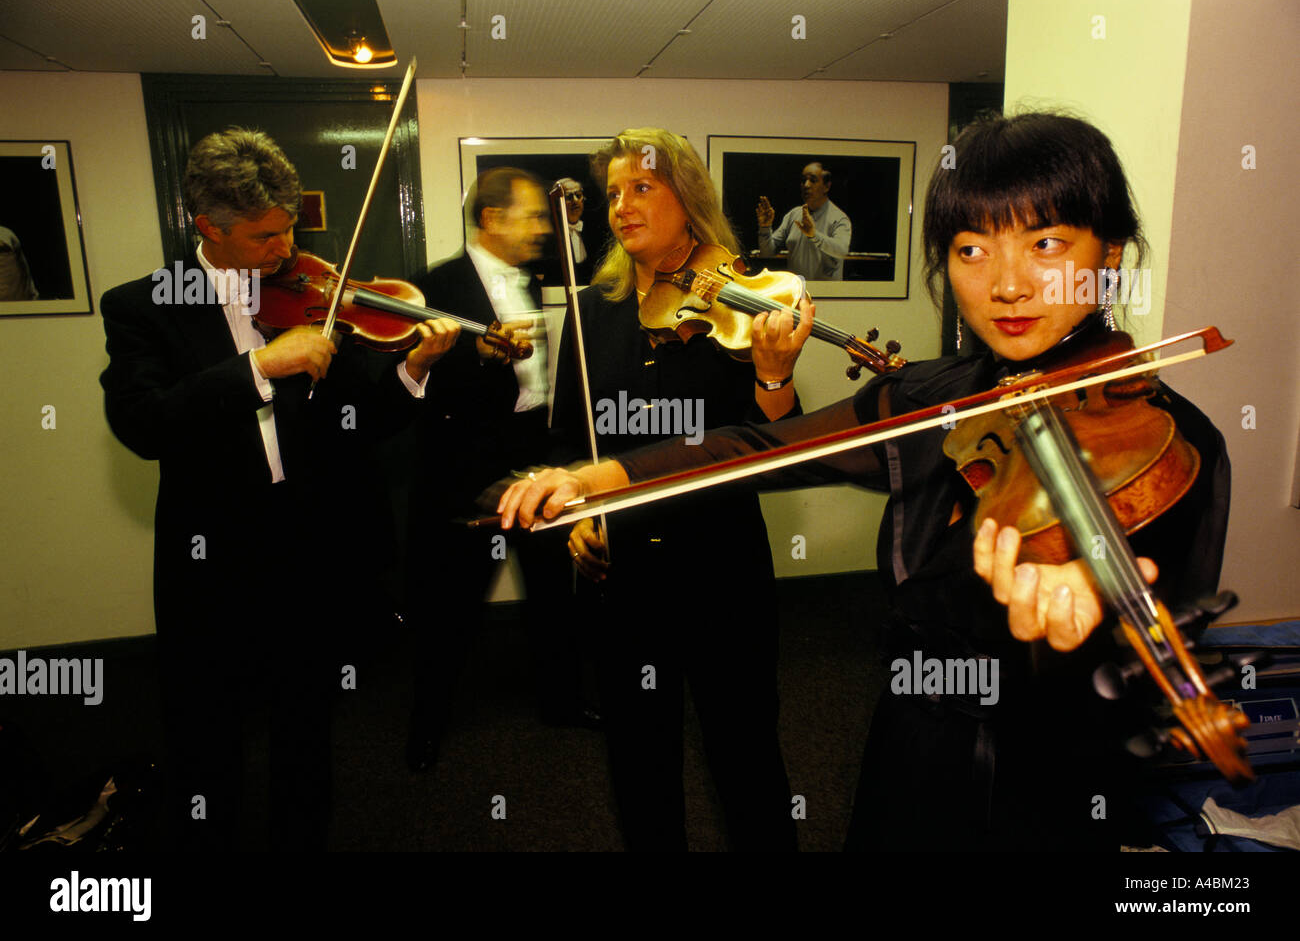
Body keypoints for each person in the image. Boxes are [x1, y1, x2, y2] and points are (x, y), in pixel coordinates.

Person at [500, 113, 1231, 851]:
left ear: (1111, 252)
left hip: (1044, 780)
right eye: (972, 248)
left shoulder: (1172, 440)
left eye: (1046, 243)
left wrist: (1096, 610)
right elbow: (761, 444)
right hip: (911, 746)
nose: (1007, 285)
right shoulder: (927, 395)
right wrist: (610, 473)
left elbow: (1151, 660)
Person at [99, 127, 459, 850]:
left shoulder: (308, 292)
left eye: (289, 228)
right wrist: (259, 365)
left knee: (306, 721)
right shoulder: (143, 305)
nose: (284, 248)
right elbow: (143, 423)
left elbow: (362, 413)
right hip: (210, 553)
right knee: (207, 731)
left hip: (304, 547)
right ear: (209, 227)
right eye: (265, 236)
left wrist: (413, 368)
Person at [538, 127, 814, 851]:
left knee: (747, 753)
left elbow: (780, 447)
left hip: (722, 565)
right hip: (624, 574)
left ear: (686, 200)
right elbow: (570, 437)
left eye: (642, 187)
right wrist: (576, 511)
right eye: (614, 193)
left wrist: (775, 376)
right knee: (639, 761)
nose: (622, 205)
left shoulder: (739, 297)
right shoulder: (593, 307)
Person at [404, 167, 595, 773]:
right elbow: (413, 389)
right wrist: (479, 357)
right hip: (465, 473)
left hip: (534, 457)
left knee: (552, 592)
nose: (544, 228)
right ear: (491, 220)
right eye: (533, 216)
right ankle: (426, 728)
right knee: (452, 608)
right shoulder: (433, 287)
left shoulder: (531, 281)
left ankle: (561, 702)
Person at [756, 162, 851, 281]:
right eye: (803, 180)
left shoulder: (839, 218)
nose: (806, 185)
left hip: (827, 295)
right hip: (797, 294)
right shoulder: (793, 215)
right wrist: (765, 227)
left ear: (826, 186)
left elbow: (842, 251)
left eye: (813, 180)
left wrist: (814, 235)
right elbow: (767, 253)